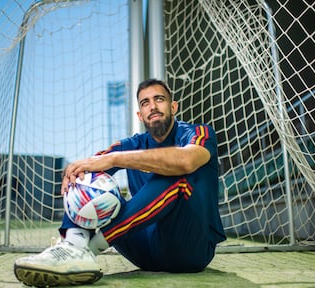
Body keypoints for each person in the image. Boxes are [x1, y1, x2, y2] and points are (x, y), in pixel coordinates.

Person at [14, 78, 226, 287]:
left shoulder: (198, 132)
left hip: (189, 250)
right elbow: (89, 170)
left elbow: (186, 161)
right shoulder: (132, 144)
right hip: (144, 251)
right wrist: (78, 172)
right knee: (88, 182)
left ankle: (88, 251)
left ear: (173, 106)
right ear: (140, 115)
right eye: (145, 103)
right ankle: (73, 247)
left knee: (175, 172)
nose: (152, 106)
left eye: (159, 99)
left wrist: (115, 158)